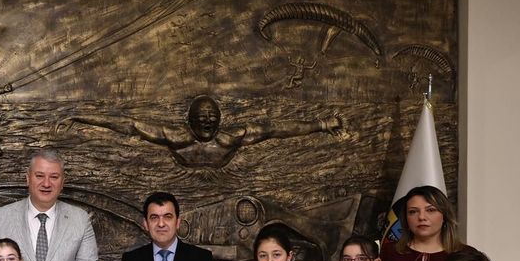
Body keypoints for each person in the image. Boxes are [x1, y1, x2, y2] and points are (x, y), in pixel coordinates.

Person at [56, 95, 342, 169]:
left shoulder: (231, 138)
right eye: (202, 118)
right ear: (189, 120)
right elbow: (130, 125)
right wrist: (80, 117)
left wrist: (322, 125)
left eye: (212, 117)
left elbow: (275, 130)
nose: (207, 122)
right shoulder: (175, 137)